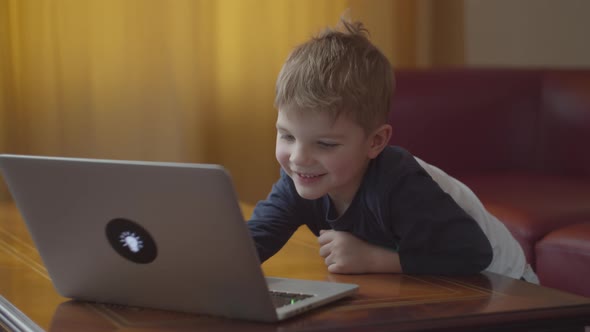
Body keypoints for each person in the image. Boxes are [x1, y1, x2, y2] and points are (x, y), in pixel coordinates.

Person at [247, 17, 538, 283]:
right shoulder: (301, 178)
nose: (298, 157)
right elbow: (253, 241)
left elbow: (472, 253)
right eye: (287, 136)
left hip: (503, 283)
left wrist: (374, 258)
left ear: (375, 142)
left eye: (325, 144)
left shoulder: (400, 183)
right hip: (432, 282)